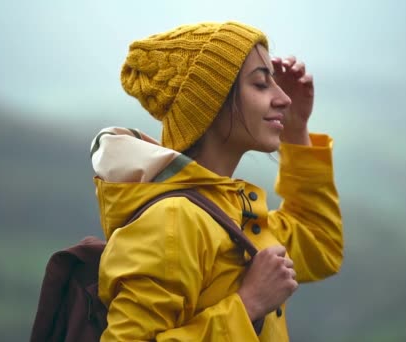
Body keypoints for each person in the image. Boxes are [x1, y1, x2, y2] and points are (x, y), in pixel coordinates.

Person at [90, 21, 344, 341]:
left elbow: (319, 243)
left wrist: (296, 131)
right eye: (261, 85)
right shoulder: (173, 220)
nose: (284, 98)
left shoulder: (228, 209)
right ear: (211, 101)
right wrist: (248, 304)